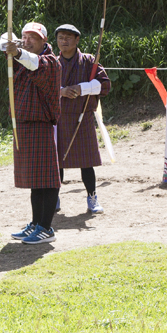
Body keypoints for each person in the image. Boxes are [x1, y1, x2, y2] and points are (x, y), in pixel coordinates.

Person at [2, 22, 62, 244]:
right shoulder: (21, 59)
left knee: (47, 179)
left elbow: (34, 63)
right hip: (25, 125)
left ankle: (46, 228)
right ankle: (36, 224)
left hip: (40, 124)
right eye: (25, 37)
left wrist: (17, 51)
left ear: (44, 41)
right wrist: (13, 48)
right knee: (36, 180)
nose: (28, 41)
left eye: (33, 38)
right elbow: (5, 44)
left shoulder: (50, 62)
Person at [54, 23, 112, 214]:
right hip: (60, 118)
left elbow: (105, 86)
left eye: (68, 37)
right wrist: (61, 91)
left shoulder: (89, 62)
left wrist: (82, 88)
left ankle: (92, 197)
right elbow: (43, 89)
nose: (64, 41)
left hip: (83, 116)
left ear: (77, 40)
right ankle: (54, 198)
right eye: (60, 37)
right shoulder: (52, 62)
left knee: (86, 162)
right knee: (57, 161)